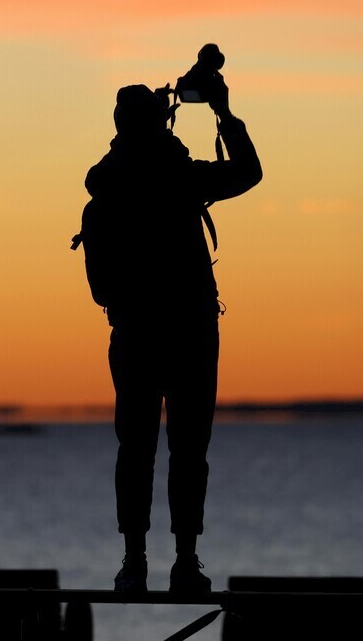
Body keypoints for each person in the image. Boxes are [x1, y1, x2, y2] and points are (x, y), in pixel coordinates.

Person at [84, 78, 262, 594]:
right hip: (189, 333)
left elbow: (100, 289)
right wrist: (224, 113)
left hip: (136, 334)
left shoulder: (108, 189)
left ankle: (134, 563)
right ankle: (185, 561)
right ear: (157, 124)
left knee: (135, 448)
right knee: (188, 449)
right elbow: (248, 172)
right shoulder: (179, 179)